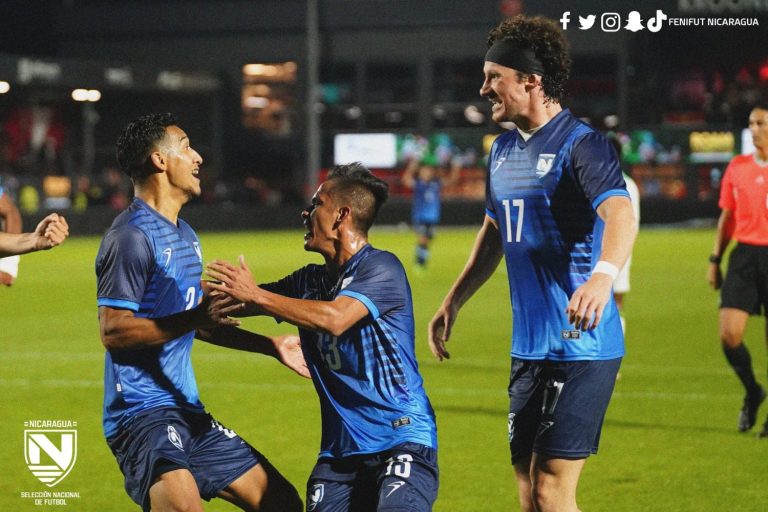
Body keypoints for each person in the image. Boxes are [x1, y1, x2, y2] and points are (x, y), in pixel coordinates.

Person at [427, 15, 636, 512]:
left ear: (531, 80)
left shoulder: (581, 145)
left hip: (580, 344)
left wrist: (603, 277)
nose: (483, 89)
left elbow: (620, 211)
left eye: (493, 76)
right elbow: (496, 230)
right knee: (529, 495)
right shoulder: (500, 151)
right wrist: (454, 299)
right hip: (528, 349)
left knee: (552, 490)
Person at [95, 113, 307, 512]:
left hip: (188, 412)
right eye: (186, 146)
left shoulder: (185, 234)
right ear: (160, 160)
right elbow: (114, 332)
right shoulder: (130, 237)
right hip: (142, 416)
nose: (198, 159)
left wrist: (270, 345)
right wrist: (194, 318)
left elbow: (198, 320)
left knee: (282, 503)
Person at [206, 162, 439, 512]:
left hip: (401, 439)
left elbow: (336, 318)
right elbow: (202, 314)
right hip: (339, 455)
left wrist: (257, 296)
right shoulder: (307, 281)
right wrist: (174, 293)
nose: (306, 212)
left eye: (317, 204)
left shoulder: (382, 268)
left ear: (341, 215)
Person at [707, 102, 768, 437]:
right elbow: (727, 218)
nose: (754, 129)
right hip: (743, 256)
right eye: (751, 123)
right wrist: (715, 260)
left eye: (760, 123)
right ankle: (753, 390)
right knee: (729, 335)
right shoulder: (738, 167)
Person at [401, 153, 460, 268]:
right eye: (424, 171)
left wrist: (455, 167)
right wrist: (411, 167)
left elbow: (452, 181)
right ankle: (420, 262)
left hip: (432, 216)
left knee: (428, 239)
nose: (427, 173)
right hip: (421, 216)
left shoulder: (436, 184)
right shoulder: (419, 184)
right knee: (424, 238)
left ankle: (421, 258)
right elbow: (406, 180)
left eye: (429, 171)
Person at [608, 135, 641, 334]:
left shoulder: (625, 185)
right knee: (613, 304)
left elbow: (630, 225)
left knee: (614, 304)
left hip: (615, 252)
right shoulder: (629, 184)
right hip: (619, 253)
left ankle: (611, 353)